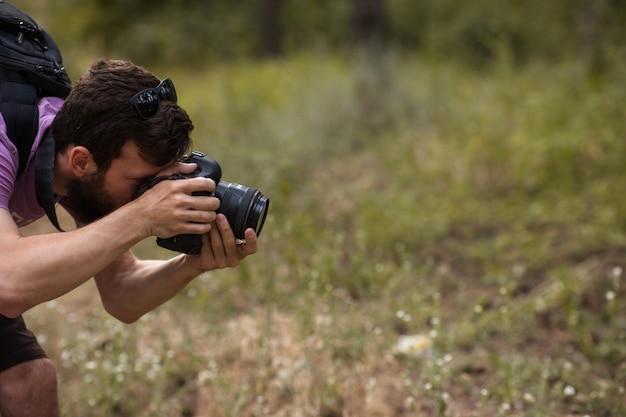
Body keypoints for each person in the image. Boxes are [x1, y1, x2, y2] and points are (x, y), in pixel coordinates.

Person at [0, 59, 258, 416]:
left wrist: (191, 264)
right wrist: (142, 216)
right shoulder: (6, 136)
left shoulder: (89, 152)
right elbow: (6, 281)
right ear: (81, 162)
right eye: (141, 185)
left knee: (30, 382)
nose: (149, 196)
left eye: (157, 182)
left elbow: (122, 292)